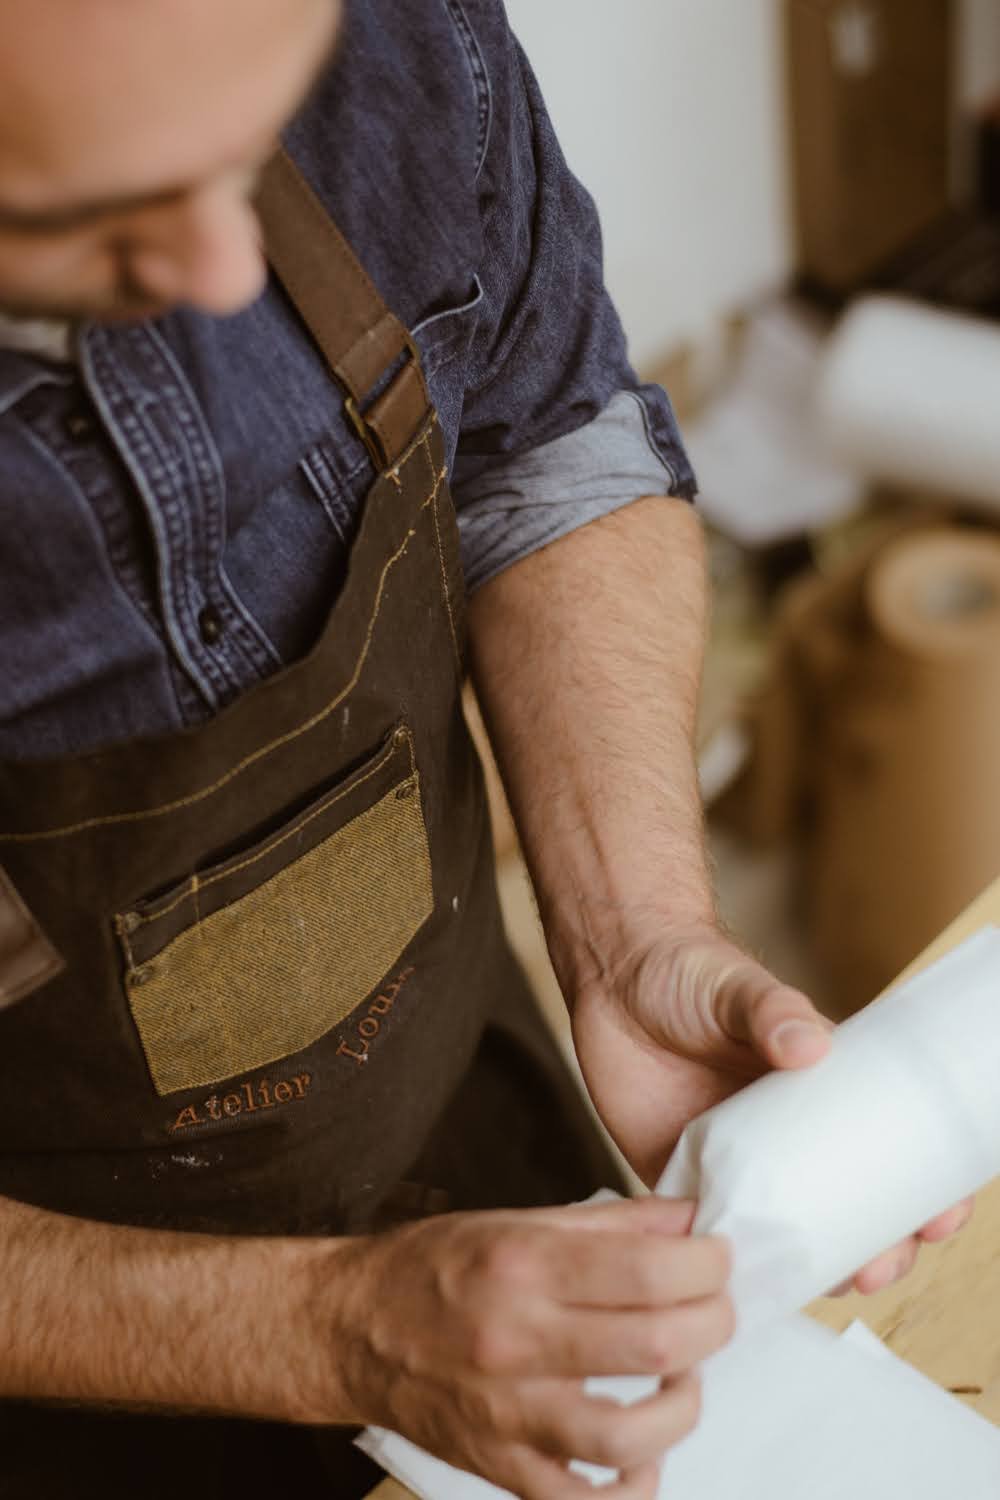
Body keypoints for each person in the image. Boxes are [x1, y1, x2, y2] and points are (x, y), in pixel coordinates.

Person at [0, 2, 971, 1497]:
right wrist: (327, 1334)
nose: (223, 274)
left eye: (257, 134)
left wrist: (634, 925)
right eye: (80, 215)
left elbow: (544, 436)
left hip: (466, 1106)